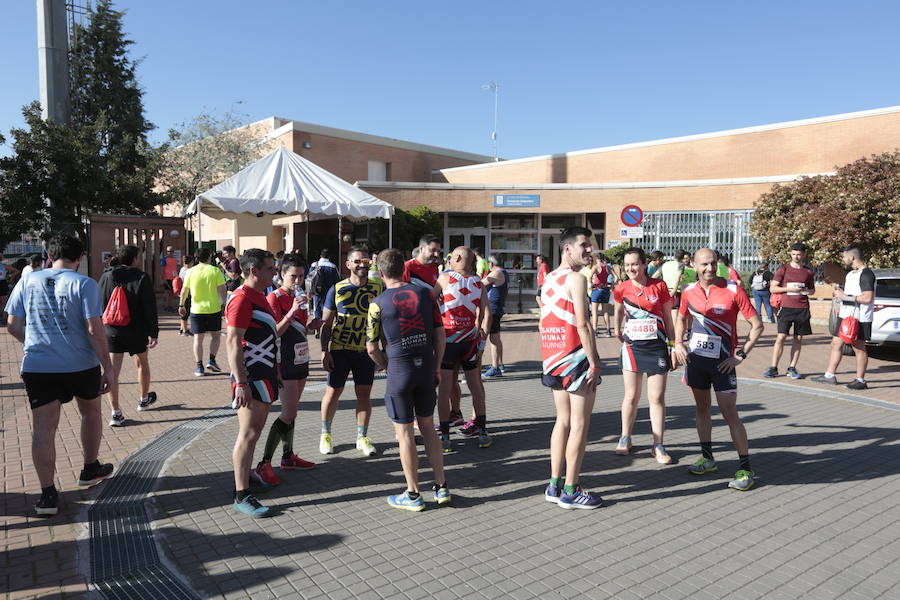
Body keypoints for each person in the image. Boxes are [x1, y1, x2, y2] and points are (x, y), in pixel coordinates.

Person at [5, 235, 115, 516]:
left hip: (39, 366)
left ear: (49, 255)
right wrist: (109, 367)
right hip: (81, 364)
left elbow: (13, 325)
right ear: (79, 258)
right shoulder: (84, 284)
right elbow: (94, 330)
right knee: (90, 413)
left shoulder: (28, 281)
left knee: (43, 428)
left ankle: (47, 495)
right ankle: (90, 468)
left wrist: (36, 344)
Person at [673, 248, 763, 491]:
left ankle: (746, 468)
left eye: (713, 264)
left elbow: (757, 325)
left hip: (723, 364)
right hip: (696, 362)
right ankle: (707, 458)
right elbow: (680, 318)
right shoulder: (688, 292)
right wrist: (678, 344)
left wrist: (740, 355)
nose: (709, 269)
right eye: (704, 264)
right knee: (701, 409)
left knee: (729, 413)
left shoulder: (733, 290)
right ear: (694, 265)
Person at [366, 248, 449, 511]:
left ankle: (413, 494)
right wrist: (436, 367)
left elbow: (371, 348)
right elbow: (440, 335)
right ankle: (442, 486)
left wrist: (387, 367)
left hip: (399, 372)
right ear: (404, 268)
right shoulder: (426, 294)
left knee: (404, 434)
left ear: (380, 273)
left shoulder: (377, 304)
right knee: (428, 427)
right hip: (426, 369)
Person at [540, 226, 604, 509]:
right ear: (567, 249)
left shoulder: (550, 278)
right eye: (584, 245)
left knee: (562, 421)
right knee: (579, 424)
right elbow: (583, 323)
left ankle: (554, 485)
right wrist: (595, 361)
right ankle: (571, 489)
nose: (589, 250)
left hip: (553, 358)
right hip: (575, 359)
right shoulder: (576, 278)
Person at [254, 254, 318, 485]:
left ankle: (288, 456)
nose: (298, 281)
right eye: (293, 276)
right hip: (283, 362)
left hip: (300, 358)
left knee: (293, 412)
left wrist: (313, 324)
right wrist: (292, 311)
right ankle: (264, 463)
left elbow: (299, 330)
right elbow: (275, 333)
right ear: (282, 274)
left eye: (301, 276)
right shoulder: (274, 297)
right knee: (287, 412)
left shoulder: (298, 296)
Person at [224, 248, 279, 517]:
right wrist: (242, 382)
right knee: (247, 434)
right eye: (270, 268)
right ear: (253, 270)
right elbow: (233, 340)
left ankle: (246, 478)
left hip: (264, 374)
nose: (274, 272)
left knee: (254, 432)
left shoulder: (260, 296)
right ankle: (241, 493)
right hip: (250, 377)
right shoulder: (242, 298)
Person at [612, 248, 676, 464]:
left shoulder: (659, 286)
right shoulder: (621, 288)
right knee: (631, 395)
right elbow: (618, 310)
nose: (631, 268)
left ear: (644, 264)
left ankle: (658, 444)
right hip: (632, 348)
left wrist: (673, 345)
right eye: (627, 264)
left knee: (656, 398)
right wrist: (616, 329)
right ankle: (625, 438)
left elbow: (668, 317)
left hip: (657, 347)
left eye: (635, 264)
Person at [318, 246, 383, 457]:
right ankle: (325, 434)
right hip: (340, 349)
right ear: (348, 265)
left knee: (364, 394)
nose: (362, 264)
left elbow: (385, 321)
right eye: (357, 261)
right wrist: (323, 351)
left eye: (365, 260)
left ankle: (361, 437)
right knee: (333, 392)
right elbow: (326, 323)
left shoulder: (379, 287)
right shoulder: (336, 289)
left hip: (366, 350)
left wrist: (385, 352)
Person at [434, 247, 491, 452]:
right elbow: (485, 312)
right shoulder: (478, 282)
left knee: (445, 389)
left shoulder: (445, 278)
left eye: (451, 256)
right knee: (475, 386)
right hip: (469, 342)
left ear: (456, 258)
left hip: (448, 341)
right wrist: (480, 333)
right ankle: (483, 433)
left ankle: (445, 437)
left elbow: (429, 302)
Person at [98, 245, 160, 426]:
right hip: (136, 330)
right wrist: (153, 332)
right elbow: (149, 307)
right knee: (142, 363)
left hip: (112, 330)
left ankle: (115, 413)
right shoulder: (140, 277)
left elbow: (100, 302)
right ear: (134, 258)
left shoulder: (106, 276)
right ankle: (143, 399)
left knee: (112, 371)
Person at [811, 246, 875, 390]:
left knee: (859, 348)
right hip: (845, 316)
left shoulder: (867, 274)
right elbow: (849, 294)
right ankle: (829, 376)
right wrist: (840, 301)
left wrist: (845, 297)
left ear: (852, 257)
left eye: (844, 256)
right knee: (835, 344)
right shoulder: (850, 274)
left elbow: (867, 297)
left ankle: (860, 380)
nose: (842, 259)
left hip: (859, 318)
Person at [765, 242, 815, 379]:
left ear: (804, 254)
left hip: (802, 308)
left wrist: (807, 291)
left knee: (798, 339)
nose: (796, 257)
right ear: (790, 254)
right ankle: (773, 368)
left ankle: (792, 368)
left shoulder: (808, 271)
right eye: (793, 254)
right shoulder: (784, 269)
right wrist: (789, 289)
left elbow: (812, 290)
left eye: (799, 254)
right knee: (781, 337)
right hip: (786, 308)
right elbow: (773, 288)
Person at [179, 247, 226, 377]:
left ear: (196, 258)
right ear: (209, 257)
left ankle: (199, 367)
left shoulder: (190, 271)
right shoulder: (215, 271)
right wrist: (225, 304)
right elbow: (222, 290)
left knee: (198, 339)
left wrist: (181, 304)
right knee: (216, 336)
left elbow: (184, 291)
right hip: (214, 309)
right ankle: (212, 360)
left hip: (196, 310)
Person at [481, 255, 508, 378]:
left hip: (493, 309)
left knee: (493, 339)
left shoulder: (496, 274)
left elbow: (480, 284)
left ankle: (495, 367)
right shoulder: (503, 272)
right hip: (496, 308)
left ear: (491, 264)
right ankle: (498, 364)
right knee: (496, 337)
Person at [308, 248, 341, 321]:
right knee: (328, 308)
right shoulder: (333, 266)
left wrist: (309, 291)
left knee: (316, 308)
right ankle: (325, 325)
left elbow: (309, 279)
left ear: (320, 256)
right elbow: (337, 281)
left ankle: (317, 327)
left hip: (316, 290)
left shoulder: (314, 265)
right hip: (329, 291)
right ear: (329, 256)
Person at [591, 255, 614, 337]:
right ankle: (608, 331)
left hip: (597, 290)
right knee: (605, 312)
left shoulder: (595, 267)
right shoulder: (608, 267)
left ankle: (595, 331)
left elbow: (589, 277)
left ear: (597, 260)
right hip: (606, 290)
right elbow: (616, 277)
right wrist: (611, 286)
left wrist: (591, 285)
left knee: (594, 312)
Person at [176, 255, 195, 336]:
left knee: (183, 311)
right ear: (191, 262)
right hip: (187, 293)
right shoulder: (190, 271)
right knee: (186, 313)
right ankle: (185, 330)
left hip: (181, 293)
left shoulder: (182, 269)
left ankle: (181, 328)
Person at [159, 245, 180, 312]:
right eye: (168, 251)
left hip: (174, 279)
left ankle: (170, 306)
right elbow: (162, 269)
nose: (170, 253)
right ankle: (166, 306)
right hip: (167, 278)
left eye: (171, 251)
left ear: (173, 252)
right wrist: (162, 278)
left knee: (172, 293)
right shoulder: (164, 259)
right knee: (167, 293)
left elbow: (176, 268)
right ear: (166, 252)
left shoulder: (175, 259)